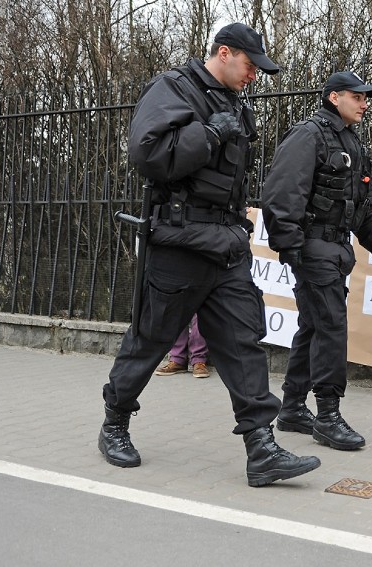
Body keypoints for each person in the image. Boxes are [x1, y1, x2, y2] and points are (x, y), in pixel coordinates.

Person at [98, 23, 321, 487]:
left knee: (243, 343)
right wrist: (210, 135)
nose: (254, 76)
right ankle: (114, 423)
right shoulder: (174, 88)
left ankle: (261, 448)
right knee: (151, 339)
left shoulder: (235, 104)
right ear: (224, 53)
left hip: (226, 245)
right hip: (179, 243)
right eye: (250, 65)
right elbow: (146, 154)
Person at [261, 71, 372, 451]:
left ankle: (291, 409)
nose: (365, 103)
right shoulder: (309, 135)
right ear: (334, 97)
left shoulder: (351, 141)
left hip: (336, 250)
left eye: (366, 97)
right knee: (331, 326)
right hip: (313, 247)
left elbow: (363, 203)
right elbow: (282, 192)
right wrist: (290, 245)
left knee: (314, 325)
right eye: (358, 96)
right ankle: (328, 416)